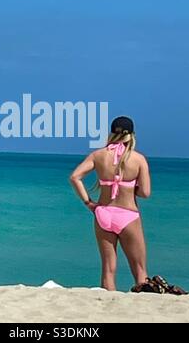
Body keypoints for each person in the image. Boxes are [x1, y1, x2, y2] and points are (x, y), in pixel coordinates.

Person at [70, 116, 151, 291]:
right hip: (128, 216)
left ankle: (108, 307)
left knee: (108, 268)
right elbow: (145, 192)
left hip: (103, 214)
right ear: (132, 135)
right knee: (139, 269)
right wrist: (129, 189)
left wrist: (88, 202)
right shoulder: (138, 159)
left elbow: (75, 177)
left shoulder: (98, 155)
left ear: (111, 133)